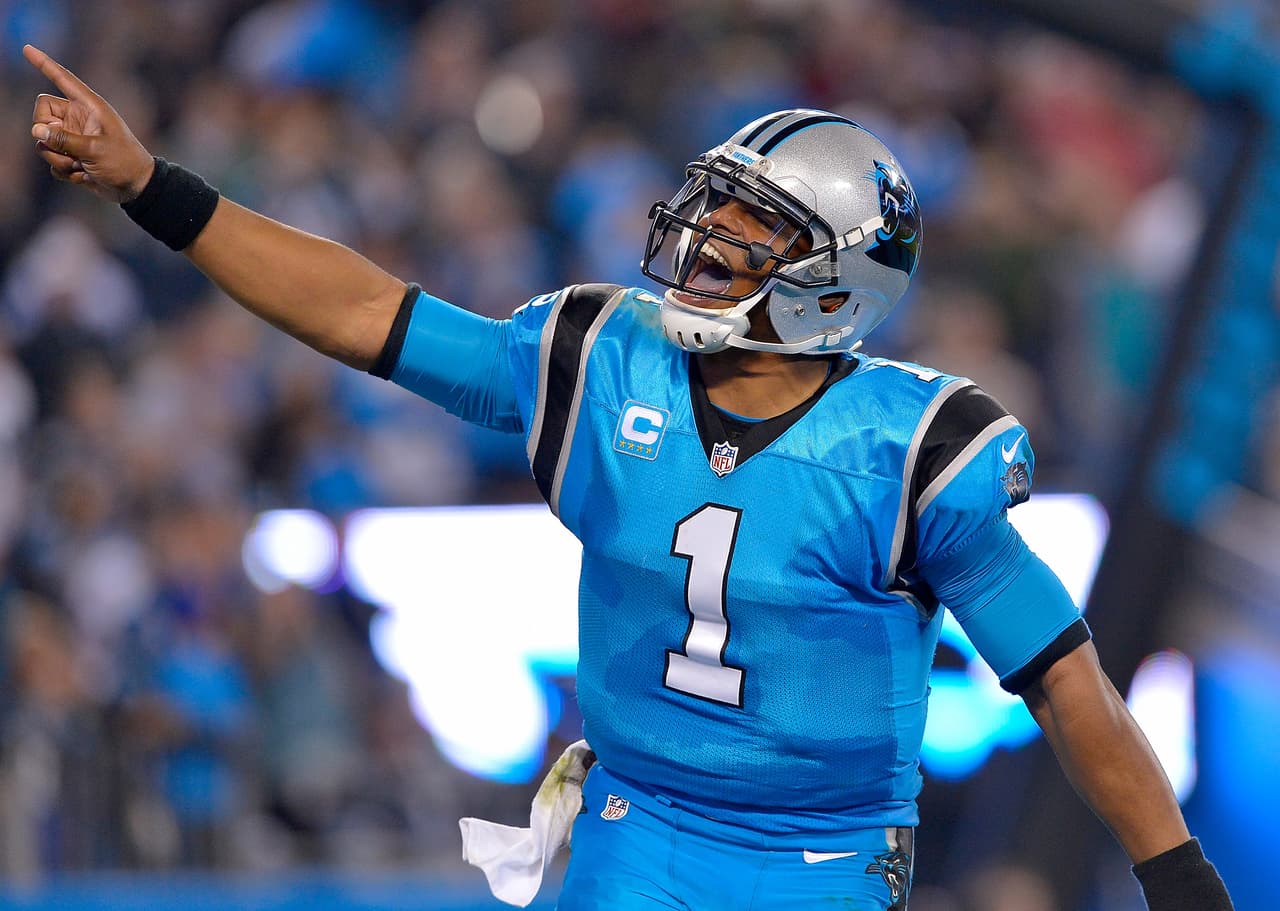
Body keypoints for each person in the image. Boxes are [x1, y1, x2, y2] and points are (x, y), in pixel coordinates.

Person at [23, 44, 1233, 911]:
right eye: (711, 212)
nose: (700, 244)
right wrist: (153, 188)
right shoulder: (597, 362)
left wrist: (1174, 875)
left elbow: (1066, 684)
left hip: (820, 857)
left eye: (746, 234)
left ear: (832, 280)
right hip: (630, 826)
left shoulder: (911, 451)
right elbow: (368, 313)